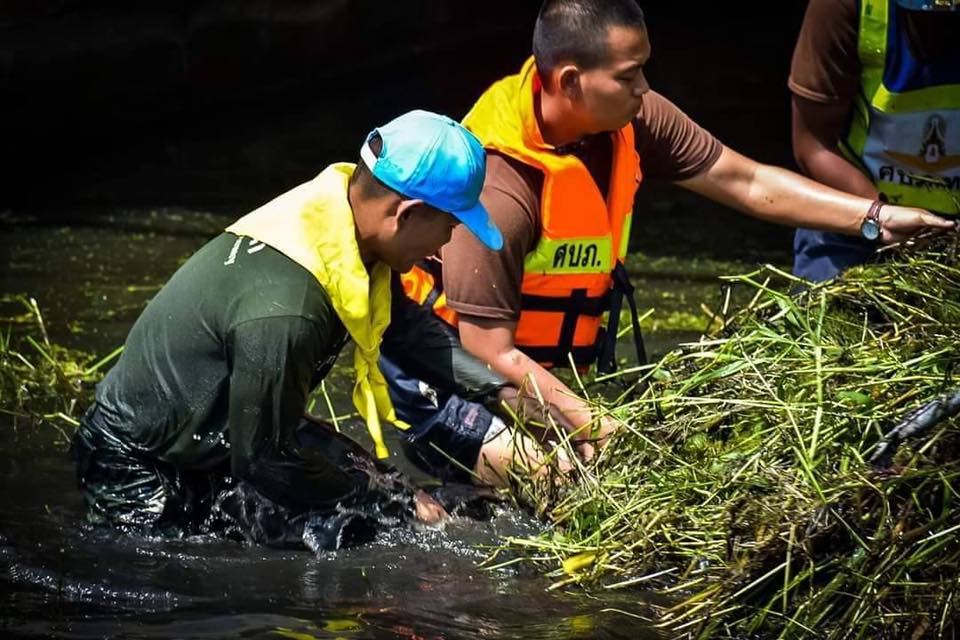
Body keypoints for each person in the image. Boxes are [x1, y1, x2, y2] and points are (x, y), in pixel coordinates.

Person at [381, 0, 957, 487]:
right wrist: (596, 427)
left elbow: (746, 180)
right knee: (575, 495)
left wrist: (874, 217)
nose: (645, 89)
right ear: (571, 82)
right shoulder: (503, 187)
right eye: (630, 76)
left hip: (555, 365)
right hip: (456, 378)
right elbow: (488, 353)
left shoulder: (634, 118)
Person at [70, 110, 506, 549]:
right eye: (450, 226)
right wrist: (387, 502)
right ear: (406, 215)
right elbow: (262, 459)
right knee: (369, 524)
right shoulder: (289, 311)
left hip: (234, 430)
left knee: (385, 489)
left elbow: (405, 330)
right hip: (140, 463)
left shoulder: (343, 218)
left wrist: (505, 392)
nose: (446, 245)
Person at [790, 0, 960, 282]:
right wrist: (881, 217)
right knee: (830, 316)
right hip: (855, 222)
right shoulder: (844, 6)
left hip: (954, 234)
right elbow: (813, 145)